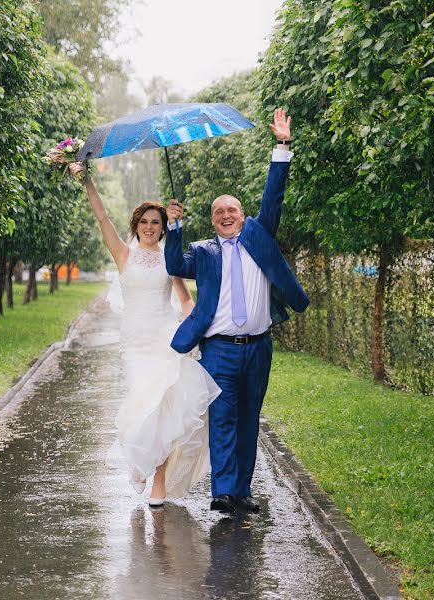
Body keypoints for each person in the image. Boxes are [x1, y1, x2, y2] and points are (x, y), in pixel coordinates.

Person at [164, 108, 310, 515]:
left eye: (232, 210)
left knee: (249, 419)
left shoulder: (258, 238)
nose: (226, 216)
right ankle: (223, 492)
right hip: (220, 351)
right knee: (223, 419)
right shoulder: (203, 253)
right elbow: (174, 265)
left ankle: (242, 491)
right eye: (218, 212)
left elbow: (273, 197)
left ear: (243, 216)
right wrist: (173, 226)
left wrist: (282, 146)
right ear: (212, 222)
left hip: (258, 348)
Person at [75, 169, 221, 506]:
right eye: (145, 222)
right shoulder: (123, 254)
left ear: (164, 226)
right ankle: (138, 460)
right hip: (135, 344)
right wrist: (87, 180)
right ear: (136, 225)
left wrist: (194, 332)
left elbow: (185, 301)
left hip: (165, 339)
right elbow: (101, 215)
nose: (151, 227)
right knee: (142, 405)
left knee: (164, 408)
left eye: (157, 222)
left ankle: (158, 481)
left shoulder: (172, 259)